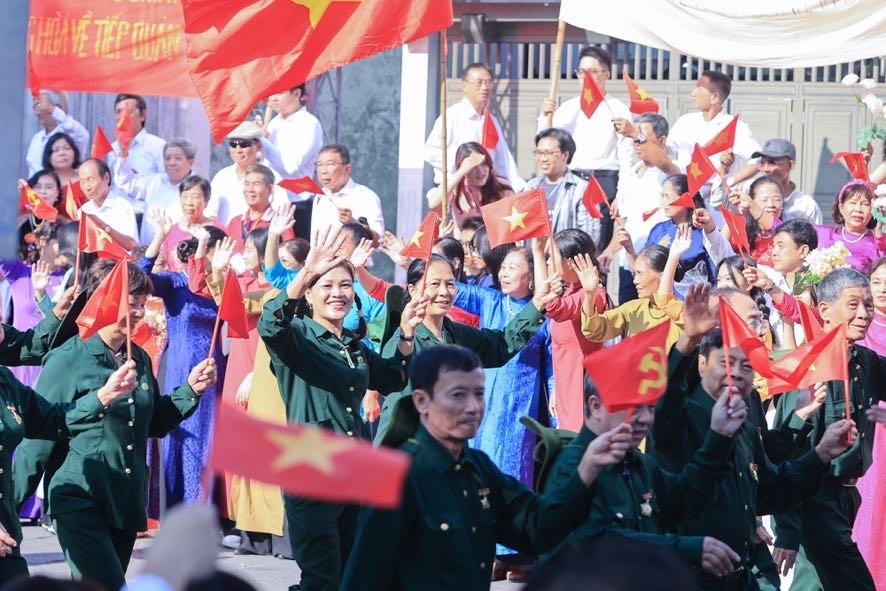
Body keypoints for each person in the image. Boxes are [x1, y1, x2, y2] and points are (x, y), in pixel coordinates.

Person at [340, 344, 635, 591]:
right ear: (422, 401)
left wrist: (587, 467)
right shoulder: (399, 478)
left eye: (479, 394)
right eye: (458, 395)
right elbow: (363, 580)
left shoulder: (477, 467)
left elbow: (536, 527)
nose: (473, 407)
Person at [21, 260, 217, 591]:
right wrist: (6, 511)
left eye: (143, 303)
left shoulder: (137, 358)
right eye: (132, 302)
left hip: (124, 500)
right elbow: (38, 439)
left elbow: (152, 423)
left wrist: (190, 391)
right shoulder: (68, 359)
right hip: (79, 497)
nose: (140, 312)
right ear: (104, 299)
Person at [653, 284, 855, 590]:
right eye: (725, 363)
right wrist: (688, 340)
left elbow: (770, 490)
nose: (736, 373)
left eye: (747, 367)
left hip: (740, 573)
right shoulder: (683, 415)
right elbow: (661, 401)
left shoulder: (744, 423)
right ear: (702, 363)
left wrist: (821, 453)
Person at [258, 227, 424, 591]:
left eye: (345, 285)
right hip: (311, 470)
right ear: (311, 294)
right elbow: (270, 323)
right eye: (327, 286)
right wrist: (303, 273)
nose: (337, 293)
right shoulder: (296, 337)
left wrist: (407, 333)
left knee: (353, 574)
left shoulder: (353, 344)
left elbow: (393, 377)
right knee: (321, 578)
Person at [543, 374, 745, 577]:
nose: (647, 418)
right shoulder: (572, 467)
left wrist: (719, 434)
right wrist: (684, 549)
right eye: (634, 407)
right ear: (596, 406)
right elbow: (595, 543)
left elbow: (684, 497)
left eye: (650, 407)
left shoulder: (637, 463)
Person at [770, 268, 886, 591]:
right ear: (824, 310)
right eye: (853, 305)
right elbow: (786, 452)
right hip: (815, 498)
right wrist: (788, 530)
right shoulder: (810, 367)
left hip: (847, 497)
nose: (863, 314)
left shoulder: (867, 362)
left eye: (868, 305)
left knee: (814, 585)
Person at [374, 254, 550, 446]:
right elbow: (396, 399)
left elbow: (500, 345)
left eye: (450, 284)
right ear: (412, 289)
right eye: (434, 284)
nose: (444, 292)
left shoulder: (454, 332)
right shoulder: (404, 340)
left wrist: (537, 305)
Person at [139, 215, 229, 508]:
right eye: (214, 249)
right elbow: (140, 277)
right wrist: (160, 236)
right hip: (178, 366)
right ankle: (178, 511)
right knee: (181, 436)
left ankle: (206, 513)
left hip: (213, 368)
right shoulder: (175, 283)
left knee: (210, 440)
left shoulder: (221, 286)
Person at [540, 45, 633, 251]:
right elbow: (547, 141)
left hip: (603, 181)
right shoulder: (567, 108)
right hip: (571, 180)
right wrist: (545, 116)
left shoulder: (618, 109)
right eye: (581, 72)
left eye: (592, 71)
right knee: (565, 241)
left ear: (606, 74)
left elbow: (627, 156)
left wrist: (621, 194)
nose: (586, 77)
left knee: (594, 245)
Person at [598, 112, 678, 303]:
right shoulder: (631, 175)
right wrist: (609, 251)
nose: (637, 143)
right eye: (634, 139)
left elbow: (667, 164)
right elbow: (626, 223)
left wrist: (634, 133)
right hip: (630, 265)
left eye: (642, 137)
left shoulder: (670, 172)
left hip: (657, 266)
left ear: (662, 140)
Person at [424, 63, 525, 192]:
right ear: (464, 86)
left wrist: (519, 187)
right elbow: (431, 152)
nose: (484, 87)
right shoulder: (452, 116)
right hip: (456, 190)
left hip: (483, 192)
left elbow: (503, 160)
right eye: (479, 82)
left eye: (488, 82)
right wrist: (462, 165)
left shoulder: (491, 120)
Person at [578, 231, 689, 349]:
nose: (635, 280)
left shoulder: (682, 312)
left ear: (663, 275)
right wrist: (590, 294)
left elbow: (665, 301)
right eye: (634, 274)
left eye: (640, 273)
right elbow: (594, 331)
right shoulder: (633, 309)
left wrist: (673, 258)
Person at [544, 229, 609, 430]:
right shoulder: (571, 290)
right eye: (545, 257)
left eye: (551, 257)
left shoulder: (594, 294)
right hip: (566, 388)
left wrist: (537, 254)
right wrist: (557, 388)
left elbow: (554, 309)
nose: (547, 262)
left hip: (582, 390)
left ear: (570, 262)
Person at [667, 70, 760, 179]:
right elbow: (666, 149)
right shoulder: (685, 121)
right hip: (683, 191)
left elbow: (758, 159)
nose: (693, 93)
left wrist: (731, 182)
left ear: (714, 97)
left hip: (714, 193)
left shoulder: (736, 127)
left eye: (698, 88)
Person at [111, 138, 197, 246]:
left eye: (178, 158)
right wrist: (123, 158)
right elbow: (127, 184)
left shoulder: (197, 188)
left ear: (191, 162)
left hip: (177, 254)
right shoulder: (156, 180)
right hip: (147, 251)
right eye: (167, 158)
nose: (171, 163)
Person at [525, 128, 601, 244]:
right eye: (539, 153)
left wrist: (558, 249)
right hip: (532, 258)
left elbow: (590, 235)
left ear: (565, 155)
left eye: (549, 153)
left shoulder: (581, 189)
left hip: (564, 258)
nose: (543, 159)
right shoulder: (530, 187)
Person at [207, 121, 288, 226]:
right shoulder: (222, 177)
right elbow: (209, 213)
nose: (238, 150)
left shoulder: (273, 177)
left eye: (244, 144)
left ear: (258, 146)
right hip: (226, 239)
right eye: (233, 144)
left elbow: (283, 216)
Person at [426, 142, 514, 232]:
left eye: (483, 164)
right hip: (465, 244)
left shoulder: (502, 187)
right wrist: (460, 172)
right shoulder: (456, 188)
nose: (480, 172)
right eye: (473, 167)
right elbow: (433, 203)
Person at [646, 174, 716, 284]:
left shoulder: (704, 234)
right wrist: (629, 248)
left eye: (667, 196)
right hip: (660, 297)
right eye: (662, 196)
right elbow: (645, 268)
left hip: (693, 298)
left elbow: (715, 274)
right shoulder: (658, 231)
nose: (663, 202)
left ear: (685, 198)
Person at [702, 175, 783, 268]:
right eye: (764, 200)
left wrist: (751, 206)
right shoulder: (743, 228)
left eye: (777, 199)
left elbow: (776, 227)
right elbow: (719, 249)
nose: (771, 204)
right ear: (752, 199)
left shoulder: (786, 231)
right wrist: (734, 213)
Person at [311, 144, 385, 242]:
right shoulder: (320, 196)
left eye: (330, 164)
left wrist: (354, 224)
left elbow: (379, 242)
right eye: (319, 165)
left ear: (347, 169)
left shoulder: (365, 196)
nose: (323, 171)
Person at [106, 94, 167, 210]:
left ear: (142, 115)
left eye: (129, 111)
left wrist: (133, 184)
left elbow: (165, 184)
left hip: (144, 215)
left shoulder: (158, 146)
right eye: (119, 112)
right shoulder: (112, 149)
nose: (123, 117)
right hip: (116, 214)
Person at [745, 139, 822, 225]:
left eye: (772, 162)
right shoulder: (751, 196)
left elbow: (818, 236)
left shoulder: (806, 206)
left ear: (791, 165)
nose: (765, 169)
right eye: (762, 162)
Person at [226, 164, 295, 255]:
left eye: (256, 184)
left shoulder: (279, 224)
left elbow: (289, 260)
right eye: (247, 184)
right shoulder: (235, 222)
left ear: (270, 189)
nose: (250, 189)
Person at [154, 175, 218, 272]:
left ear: (206, 201)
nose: (189, 202)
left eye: (195, 197)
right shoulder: (170, 230)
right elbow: (162, 264)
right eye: (185, 196)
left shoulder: (216, 230)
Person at [260, 84, 324, 182]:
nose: (273, 98)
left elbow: (291, 166)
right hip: (271, 193)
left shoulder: (308, 123)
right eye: (271, 93)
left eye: (279, 93)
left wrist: (262, 141)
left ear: (296, 94)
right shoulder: (273, 123)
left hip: (296, 196)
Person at [816, 179, 882, 273]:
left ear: (872, 211)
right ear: (841, 208)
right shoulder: (821, 233)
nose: (858, 209)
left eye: (865, 204)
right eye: (853, 203)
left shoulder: (876, 245)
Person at [77, 158, 138, 250]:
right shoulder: (83, 211)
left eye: (90, 180)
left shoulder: (123, 206)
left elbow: (131, 245)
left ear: (106, 178)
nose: (87, 187)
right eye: (82, 182)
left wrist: (103, 227)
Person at [25, 90, 89, 177]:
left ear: (58, 108)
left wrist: (53, 110)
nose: (37, 111)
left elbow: (83, 134)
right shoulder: (36, 138)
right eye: (34, 106)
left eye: (40, 105)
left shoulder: (71, 134)